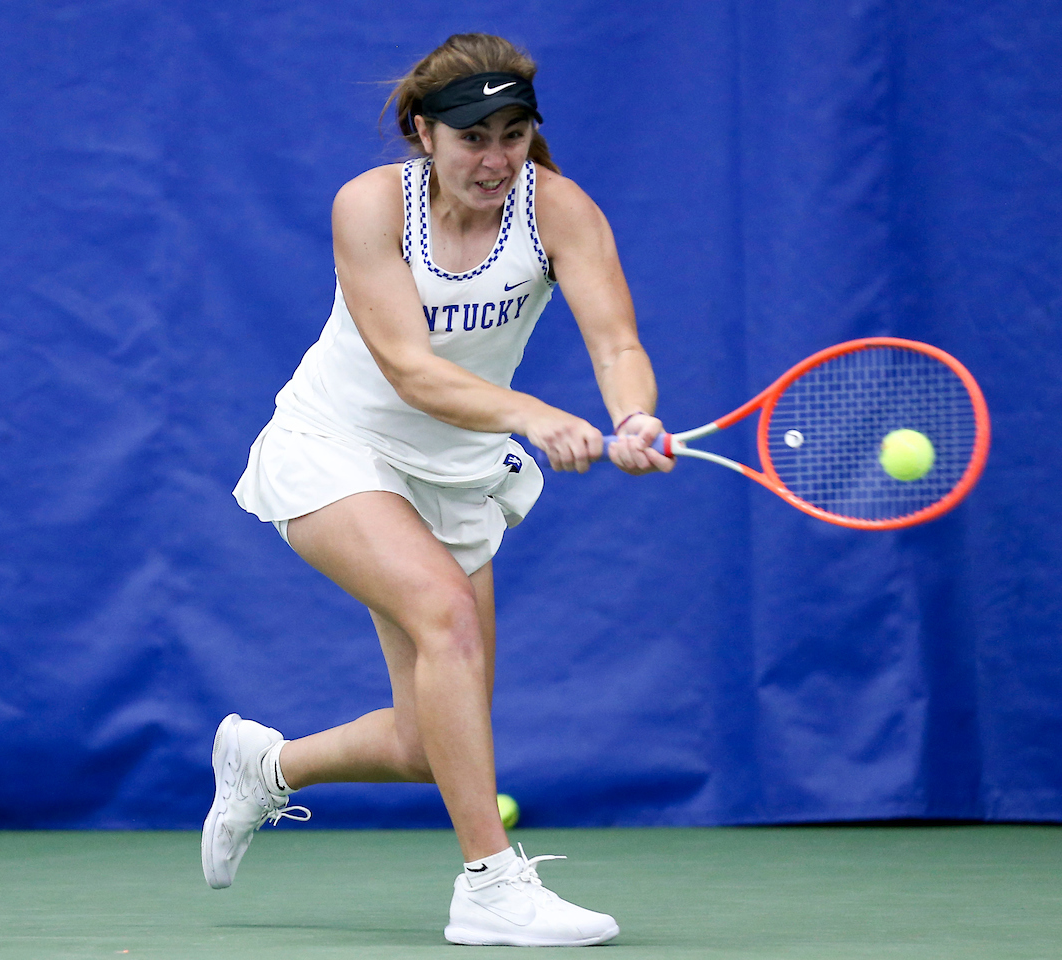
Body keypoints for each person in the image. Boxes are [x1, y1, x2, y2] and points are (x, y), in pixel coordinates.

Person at [201, 32, 674, 947]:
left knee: (432, 745)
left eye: (511, 133)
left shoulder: (560, 211)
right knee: (446, 617)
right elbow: (413, 371)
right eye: (472, 137)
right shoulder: (369, 205)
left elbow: (617, 344)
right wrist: (536, 416)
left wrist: (634, 416)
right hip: (335, 446)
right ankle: (490, 885)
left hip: (453, 473)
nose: (494, 158)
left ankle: (267, 767)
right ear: (423, 133)